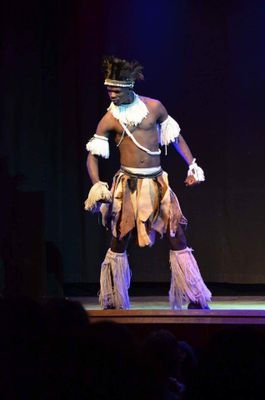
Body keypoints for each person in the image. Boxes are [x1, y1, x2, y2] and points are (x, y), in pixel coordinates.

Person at [84, 55, 211, 310]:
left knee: (177, 236)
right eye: (108, 90)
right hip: (128, 186)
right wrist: (97, 184)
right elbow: (92, 156)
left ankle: (195, 295)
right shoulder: (110, 119)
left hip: (157, 185)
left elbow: (175, 138)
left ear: (129, 87)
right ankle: (112, 299)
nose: (111, 95)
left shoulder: (154, 108)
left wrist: (192, 165)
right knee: (119, 239)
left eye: (116, 90)